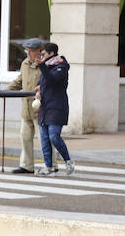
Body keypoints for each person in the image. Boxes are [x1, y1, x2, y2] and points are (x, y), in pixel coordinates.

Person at [34, 42, 75, 176]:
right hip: (45, 107)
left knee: (54, 136)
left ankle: (68, 161)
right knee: (44, 138)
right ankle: (48, 167)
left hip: (57, 107)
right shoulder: (46, 66)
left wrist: (40, 65)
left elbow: (52, 80)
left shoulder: (61, 66)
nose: (41, 56)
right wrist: (39, 88)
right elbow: (44, 82)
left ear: (51, 54)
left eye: (43, 53)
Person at [6, 38, 46, 174]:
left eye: (32, 51)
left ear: (40, 51)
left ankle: (50, 164)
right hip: (26, 107)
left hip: (40, 107)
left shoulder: (45, 64)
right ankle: (26, 165)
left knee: (44, 139)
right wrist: (4, 92)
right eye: (27, 51)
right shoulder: (25, 63)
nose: (28, 54)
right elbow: (20, 81)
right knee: (25, 136)